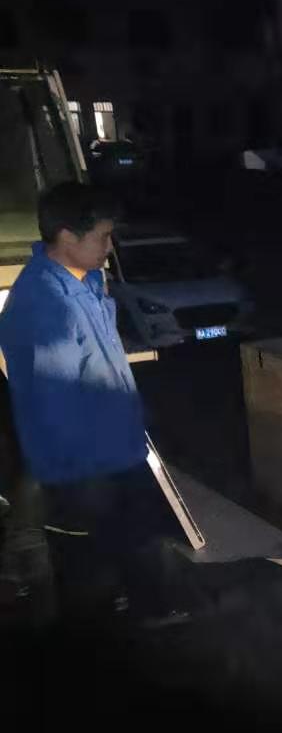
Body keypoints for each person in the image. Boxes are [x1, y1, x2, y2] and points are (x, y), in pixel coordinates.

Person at [0, 182, 175, 619]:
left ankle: (142, 627)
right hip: (85, 472)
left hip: (117, 456)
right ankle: (96, 645)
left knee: (134, 557)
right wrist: (90, 477)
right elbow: (53, 406)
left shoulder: (87, 283)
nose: (110, 248)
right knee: (90, 577)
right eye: (102, 237)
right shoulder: (45, 305)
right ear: (66, 236)